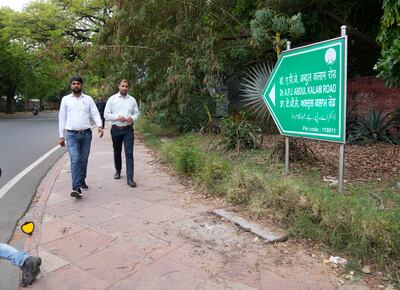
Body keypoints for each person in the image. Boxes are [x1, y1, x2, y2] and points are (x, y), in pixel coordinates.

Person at [58, 76, 104, 198]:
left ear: (81, 85)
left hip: (86, 135)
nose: (76, 85)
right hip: (71, 135)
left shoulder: (88, 99)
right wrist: (61, 136)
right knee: (75, 159)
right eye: (73, 83)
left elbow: (94, 112)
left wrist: (99, 125)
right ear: (70, 85)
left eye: (78, 83)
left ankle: (82, 180)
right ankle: (76, 187)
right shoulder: (65, 99)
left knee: (83, 160)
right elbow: (62, 117)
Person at [104, 79, 140, 187]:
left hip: (128, 130)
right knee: (117, 151)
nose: (124, 88)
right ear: (118, 86)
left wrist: (131, 118)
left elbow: (137, 113)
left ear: (128, 88)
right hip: (115, 129)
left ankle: (130, 178)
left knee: (129, 154)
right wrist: (117, 117)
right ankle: (118, 170)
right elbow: (106, 114)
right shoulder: (112, 99)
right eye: (122, 86)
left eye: (126, 86)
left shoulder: (132, 100)